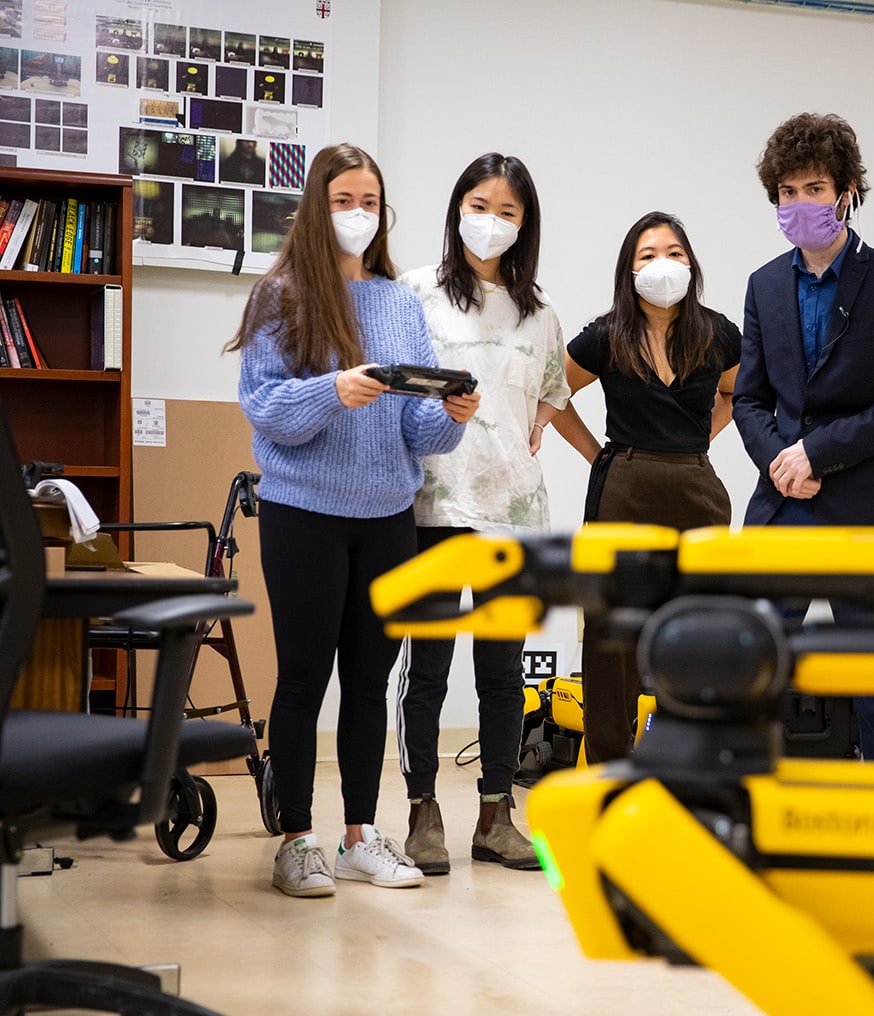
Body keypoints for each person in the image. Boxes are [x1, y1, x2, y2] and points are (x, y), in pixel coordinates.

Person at [225, 143, 479, 898]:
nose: (359, 214)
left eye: (370, 201)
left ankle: (360, 835)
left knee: (370, 682)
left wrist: (453, 415)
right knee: (304, 677)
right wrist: (333, 390)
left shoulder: (400, 302)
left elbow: (417, 432)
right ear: (315, 206)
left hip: (387, 517)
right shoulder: (281, 296)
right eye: (344, 200)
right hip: (303, 511)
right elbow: (265, 409)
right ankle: (296, 839)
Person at [732, 112, 874, 762]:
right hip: (785, 503)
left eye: (814, 189)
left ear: (847, 190)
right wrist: (781, 462)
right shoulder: (764, 285)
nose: (800, 205)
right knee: (754, 670)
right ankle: (747, 809)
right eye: (787, 193)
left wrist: (816, 453)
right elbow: (749, 399)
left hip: (867, 508)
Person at [395, 153, 569, 875]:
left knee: (503, 675)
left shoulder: (541, 314)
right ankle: (423, 813)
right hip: (433, 505)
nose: (490, 221)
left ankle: (497, 815)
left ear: (524, 223)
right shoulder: (414, 294)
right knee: (427, 669)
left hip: (514, 513)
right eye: (478, 204)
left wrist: (525, 433)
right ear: (456, 209)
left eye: (507, 211)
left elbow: (549, 401)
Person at [551, 211, 741, 763]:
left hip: (697, 488)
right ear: (628, 270)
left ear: (692, 263)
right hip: (623, 488)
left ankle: (692, 759)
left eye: (675, 253)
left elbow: (738, 394)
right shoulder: (608, 334)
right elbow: (553, 395)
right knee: (612, 635)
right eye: (648, 255)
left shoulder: (718, 332)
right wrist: (596, 455)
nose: (663, 264)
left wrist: (699, 437)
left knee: (697, 629)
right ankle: (610, 764)